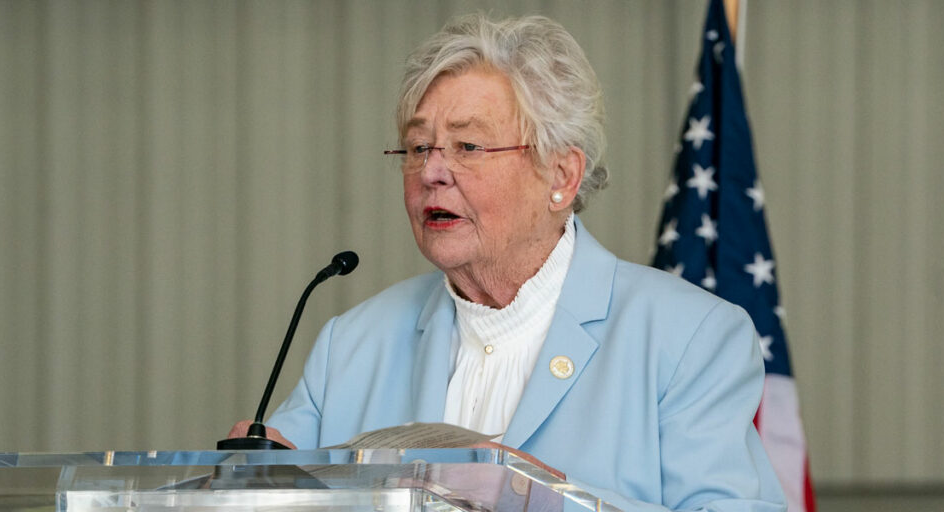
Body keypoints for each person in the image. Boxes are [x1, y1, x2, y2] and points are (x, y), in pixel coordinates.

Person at [229, 13, 785, 511]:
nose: (432, 172)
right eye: (419, 148)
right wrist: (250, 489)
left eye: (468, 147)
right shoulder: (349, 346)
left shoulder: (689, 337)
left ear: (561, 175)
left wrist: (542, 500)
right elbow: (273, 487)